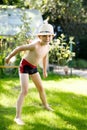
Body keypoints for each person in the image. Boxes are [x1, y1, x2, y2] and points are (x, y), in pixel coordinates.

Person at [5, 22, 55, 125]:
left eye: (49, 36)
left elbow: (45, 57)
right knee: (25, 91)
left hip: (33, 67)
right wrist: (9, 57)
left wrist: (45, 70)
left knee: (41, 88)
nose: (48, 38)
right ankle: (17, 117)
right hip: (25, 66)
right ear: (39, 36)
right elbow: (19, 48)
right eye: (45, 36)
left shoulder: (47, 47)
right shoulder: (34, 45)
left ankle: (45, 105)